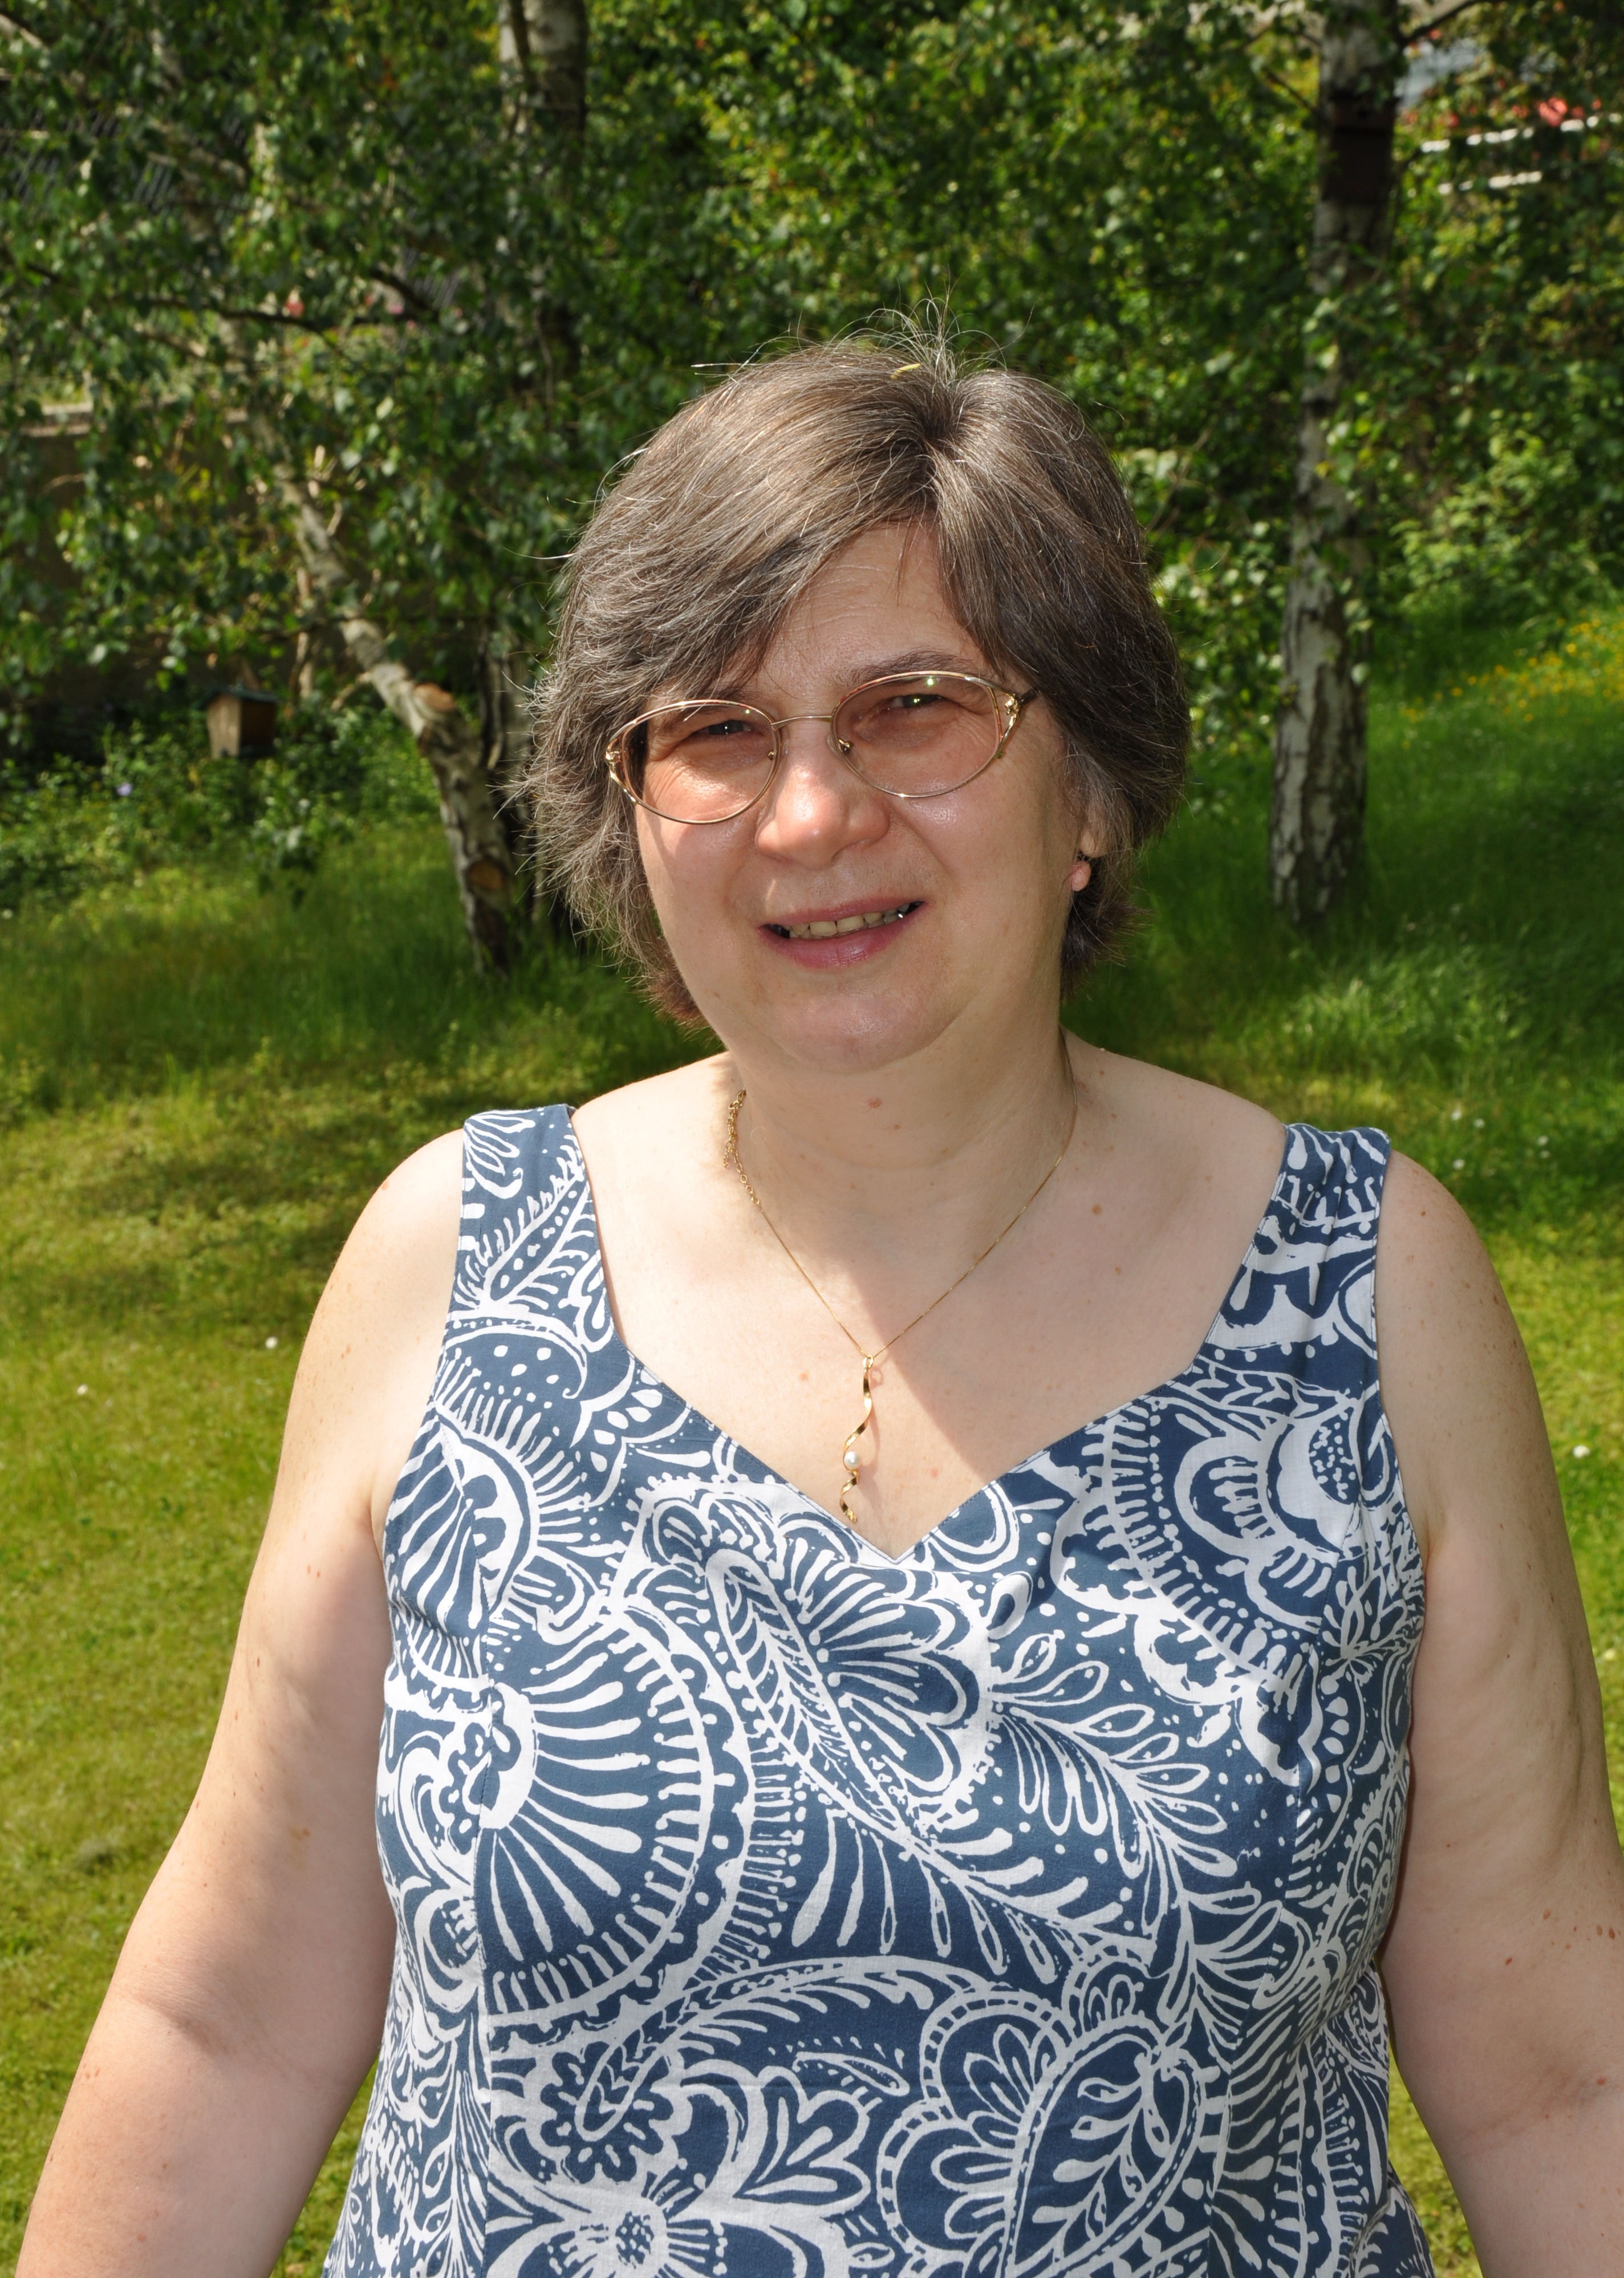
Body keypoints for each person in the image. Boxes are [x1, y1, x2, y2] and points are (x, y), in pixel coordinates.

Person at [21, 336, 1624, 2278]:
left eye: (912, 707)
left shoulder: (1364, 1297)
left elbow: (1559, 2079)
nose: (808, 815)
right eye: (716, 731)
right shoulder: (455, 1261)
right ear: (629, 807)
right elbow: (226, 2022)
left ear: (1089, 787)